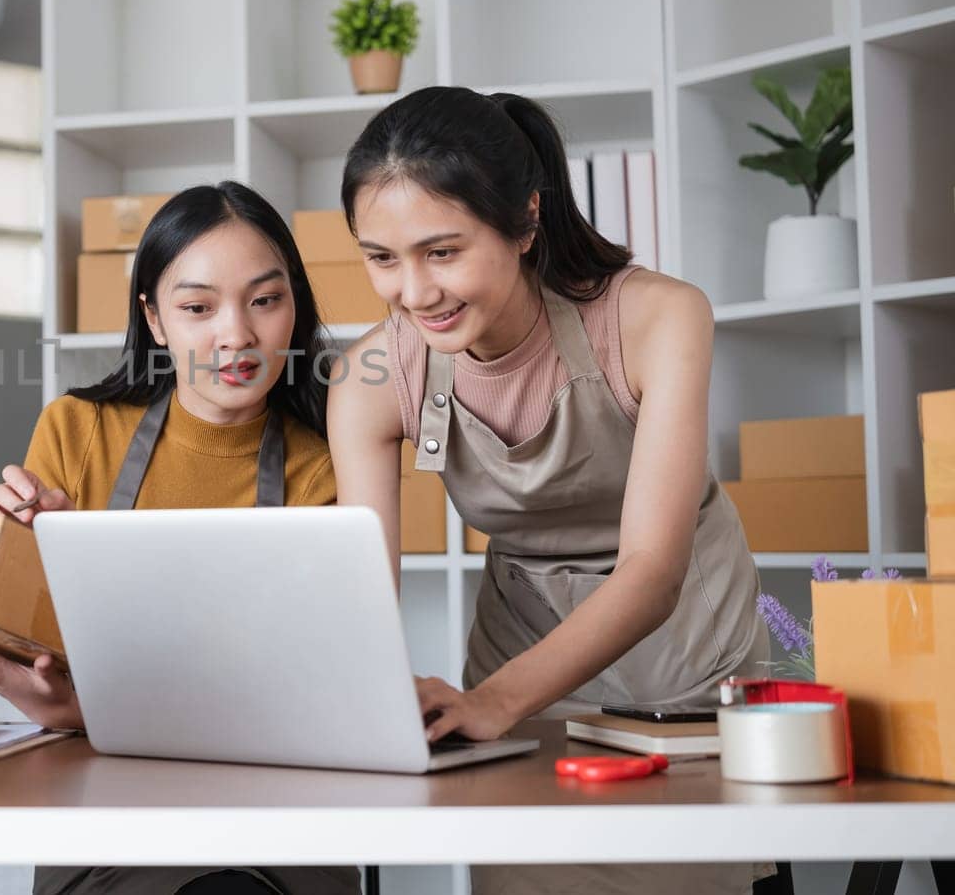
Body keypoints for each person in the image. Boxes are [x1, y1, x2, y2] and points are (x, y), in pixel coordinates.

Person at [326, 86, 768, 895]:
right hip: (517, 640)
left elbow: (652, 569)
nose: (413, 293)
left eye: (443, 252)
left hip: (678, 645)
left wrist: (496, 700)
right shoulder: (370, 376)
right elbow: (362, 596)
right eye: (381, 258)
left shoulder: (657, 318)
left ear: (526, 220)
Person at [0, 181, 360, 895]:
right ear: (155, 320)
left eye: (265, 300)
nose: (236, 335)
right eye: (196, 307)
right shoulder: (76, 430)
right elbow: (35, 651)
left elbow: (315, 688)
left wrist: (93, 705)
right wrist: (18, 565)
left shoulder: (329, 462)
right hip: (107, 812)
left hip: (278, 811)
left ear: (295, 306)